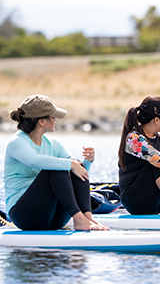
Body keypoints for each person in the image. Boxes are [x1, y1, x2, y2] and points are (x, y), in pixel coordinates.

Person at [4, 94, 108, 231]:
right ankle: (78, 218)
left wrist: (86, 162)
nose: (55, 120)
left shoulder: (54, 144)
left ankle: (87, 217)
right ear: (41, 121)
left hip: (53, 217)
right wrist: (70, 165)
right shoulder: (17, 142)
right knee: (56, 168)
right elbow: (33, 160)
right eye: (52, 116)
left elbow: (75, 170)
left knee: (73, 164)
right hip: (24, 215)